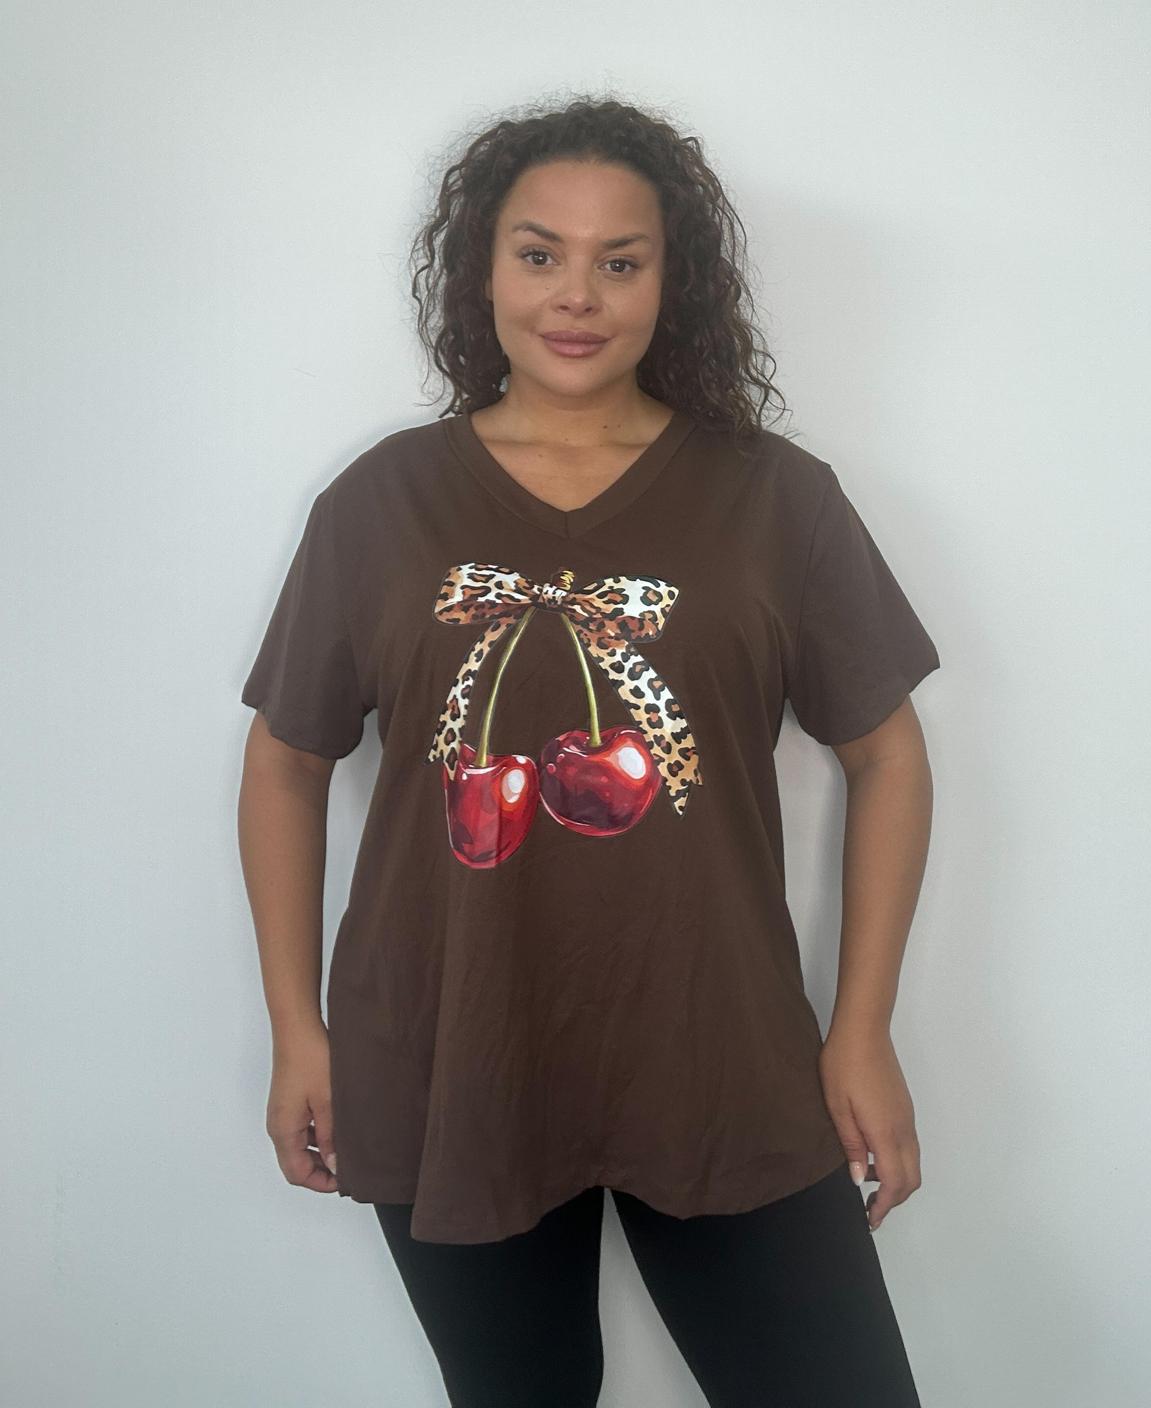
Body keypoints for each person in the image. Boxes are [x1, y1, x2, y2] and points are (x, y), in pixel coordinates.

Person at [237, 95, 940, 1407]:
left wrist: (862, 1033)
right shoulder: (381, 502)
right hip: (449, 1054)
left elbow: (888, 755)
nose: (577, 295)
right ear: (482, 271)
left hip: (719, 1050)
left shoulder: (773, 497)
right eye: (539, 253)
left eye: (622, 260)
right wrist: (296, 1030)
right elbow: (285, 762)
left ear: (674, 284)